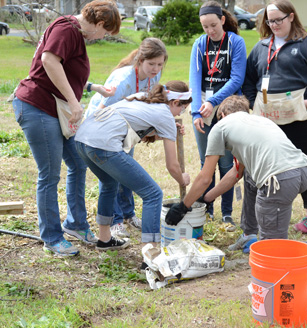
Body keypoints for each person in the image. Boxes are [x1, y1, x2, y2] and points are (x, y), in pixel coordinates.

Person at [165, 95, 307, 271]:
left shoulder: (221, 127)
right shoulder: (259, 120)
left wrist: (184, 206)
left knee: (272, 253)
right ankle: (249, 235)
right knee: (249, 176)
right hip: (303, 172)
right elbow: (236, 173)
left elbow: (204, 177)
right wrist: (206, 198)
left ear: (221, 115)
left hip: (279, 180)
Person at [12, 0, 121, 256]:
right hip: (37, 107)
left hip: (53, 108)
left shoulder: (74, 33)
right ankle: (52, 237)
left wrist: (93, 88)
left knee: (78, 163)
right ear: (100, 23)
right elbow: (49, 62)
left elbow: (66, 73)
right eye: (105, 32)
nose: (102, 37)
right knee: (49, 175)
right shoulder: (67, 29)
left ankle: (75, 224)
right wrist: (74, 102)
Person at [242, 0, 307, 234]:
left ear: (291, 17)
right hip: (267, 117)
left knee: (303, 162)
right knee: (266, 163)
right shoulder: (261, 47)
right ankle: (266, 211)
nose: (273, 25)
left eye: (278, 20)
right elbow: (249, 80)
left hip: (299, 116)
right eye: (269, 21)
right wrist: (255, 103)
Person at [75, 81, 191, 250]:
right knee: (153, 194)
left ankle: (104, 239)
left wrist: (164, 133)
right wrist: (182, 178)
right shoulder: (165, 114)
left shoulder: (142, 97)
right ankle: (150, 253)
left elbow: (137, 129)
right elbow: (172, 165)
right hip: (103, 145)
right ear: (174, 103)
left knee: (109, 184)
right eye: (182, 109)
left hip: (82, 140)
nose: (181, 113)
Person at [85, 38, 168, 238]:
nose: (156, 69)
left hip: (124, 130)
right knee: (112, 176)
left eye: (160, 64)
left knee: (127, 170)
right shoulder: (123, 80)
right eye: (151, 64)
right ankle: (115, 221)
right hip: (102, 131)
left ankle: (128, 214)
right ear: (140, 60)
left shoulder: (152, 77)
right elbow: (101, 114)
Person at [189, 0, 247, 229]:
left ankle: (226, 212)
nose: (210, 30)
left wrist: (213, 102)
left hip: (227, 106)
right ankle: (207, 209)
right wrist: (196, 111)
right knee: (207, 162)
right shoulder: (199, 44)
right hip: (204, 106)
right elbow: (195, 79)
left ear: (222, 20)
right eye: (205, 27)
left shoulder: (235, 42)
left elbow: (237, 79)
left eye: (213, 25)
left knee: (226, 161)